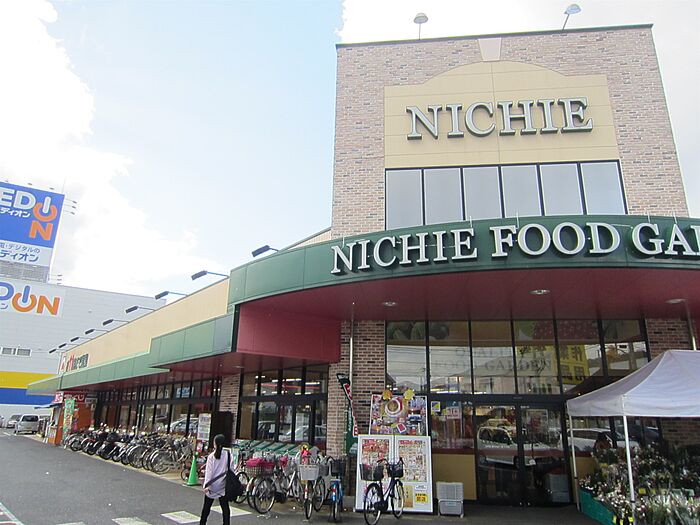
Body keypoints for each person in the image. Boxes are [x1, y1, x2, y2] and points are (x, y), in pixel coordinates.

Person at [200, 434, 234, 525]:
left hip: (212, 486)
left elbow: (209, 472)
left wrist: (206, 485)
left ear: (215, 444)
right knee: (225, 507)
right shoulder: (228, 455)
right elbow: (231, 470)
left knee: (206, 507)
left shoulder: (211, 456)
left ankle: (202, 523)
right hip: (223, 485)